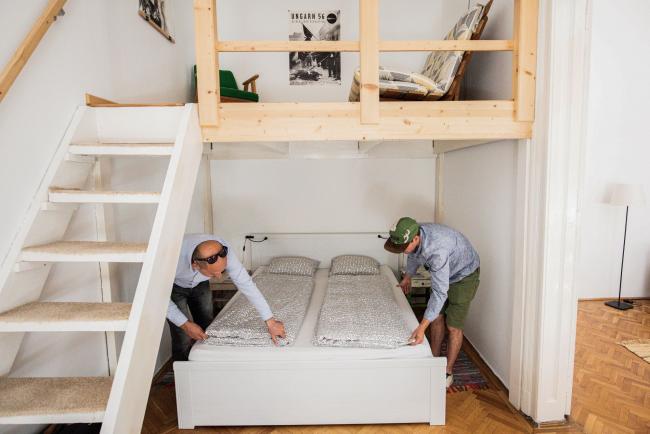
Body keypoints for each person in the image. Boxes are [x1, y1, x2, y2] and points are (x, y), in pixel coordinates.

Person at [384, 217, 480, 387]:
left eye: (402, 248)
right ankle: (433, 359)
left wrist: (421, 327)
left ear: (415, 239)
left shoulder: (437, 250)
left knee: (453, 326)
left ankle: (447, 371)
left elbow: (439, 293)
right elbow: (413, 254)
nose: (402, 251)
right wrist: (407, 277)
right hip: (446, 269)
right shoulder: (415, 231)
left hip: (464, 275)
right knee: (436, 318)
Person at [167, 233, 286, 361]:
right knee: (182, 334)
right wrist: (185, 325)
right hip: (172, 286)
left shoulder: (223, 249)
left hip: (200, 283)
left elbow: (246, 284)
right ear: (195, 265)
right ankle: (181, 373)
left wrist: (270, 321)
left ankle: (207, 363)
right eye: (214, 273)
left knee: (207, 323)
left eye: (222, 270)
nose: (219, 277)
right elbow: (158, 301)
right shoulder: (170, 257)